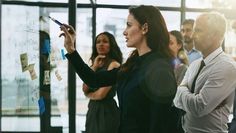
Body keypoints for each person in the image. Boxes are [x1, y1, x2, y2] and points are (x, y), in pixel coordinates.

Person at [60, 5, 177, 133]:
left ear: (145, 28)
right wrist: (70, 48)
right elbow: (93, 79)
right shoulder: (134, 64)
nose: (124, 32)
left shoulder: (159, 69)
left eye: (129, 25)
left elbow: (159, 125)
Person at [174, 12, 236, 133]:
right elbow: (176, 101)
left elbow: (199, 107)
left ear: (216, 35)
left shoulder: (227, 66)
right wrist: (185, 95)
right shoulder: (195, 64)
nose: (192, 36)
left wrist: (181, 89)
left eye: (198, 30)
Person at [82, 32, 122, 133]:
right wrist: (94, 66)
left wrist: (88, 94)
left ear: (111, 45)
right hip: (92, 109)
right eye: (98, 42)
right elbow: (84, 88)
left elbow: (101, 95)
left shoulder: (114, 65)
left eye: (105, 41)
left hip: (106, 111)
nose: (101, 44)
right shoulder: (96, 63)